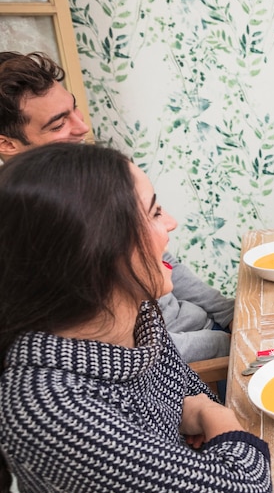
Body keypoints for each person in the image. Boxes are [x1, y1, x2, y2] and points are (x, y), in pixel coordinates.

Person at [0, 143, 274, 493]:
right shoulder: (48, 404)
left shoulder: (134, 314)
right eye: (154, 213)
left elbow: (189, 396)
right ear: (98, 251)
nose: (172, 224)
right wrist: (215, 415)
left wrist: (202, 413)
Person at [0, 51, 233, 362]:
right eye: (58, 124)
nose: (82, 128)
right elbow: (122, 351)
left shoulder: (94, 177)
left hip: (208, 333)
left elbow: (166, 261)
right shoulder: (31, 228)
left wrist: (233, 314)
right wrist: (229, 344)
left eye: (74, 109)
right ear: (6, 144)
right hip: (194, 358)